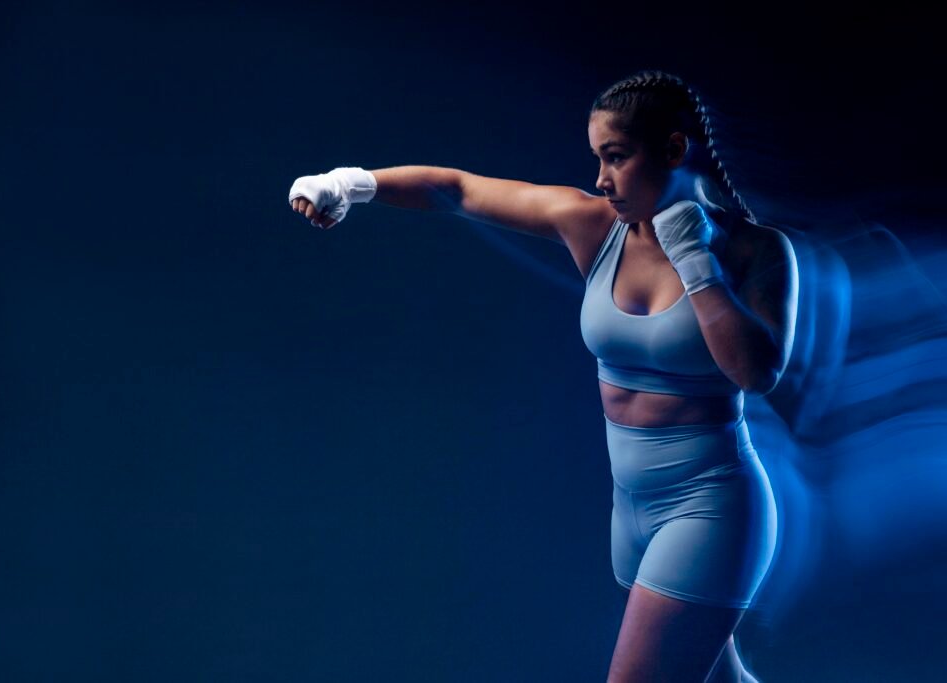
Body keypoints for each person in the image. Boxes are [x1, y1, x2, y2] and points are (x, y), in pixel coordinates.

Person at [288, 70, 798, 683]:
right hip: (632, 511)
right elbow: (458, 189)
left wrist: (697, 263)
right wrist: (352, 183)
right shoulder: (594, 226)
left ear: (672, 150)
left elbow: (756, 370)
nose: (601, 179)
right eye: (597, 158)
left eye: (616, 157)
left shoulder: (754, 250)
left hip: (711, 506)